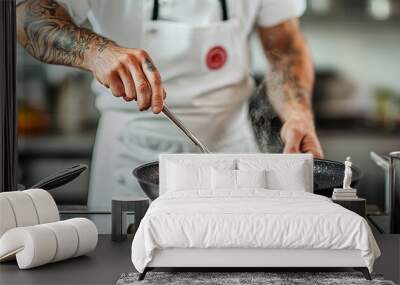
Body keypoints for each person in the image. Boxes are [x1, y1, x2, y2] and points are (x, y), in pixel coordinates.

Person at [16, 0, 324, 210]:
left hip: (231, 147)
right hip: (131, 155)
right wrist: (96, 51)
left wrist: (298, 115)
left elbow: (285, 45)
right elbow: (25, 17)